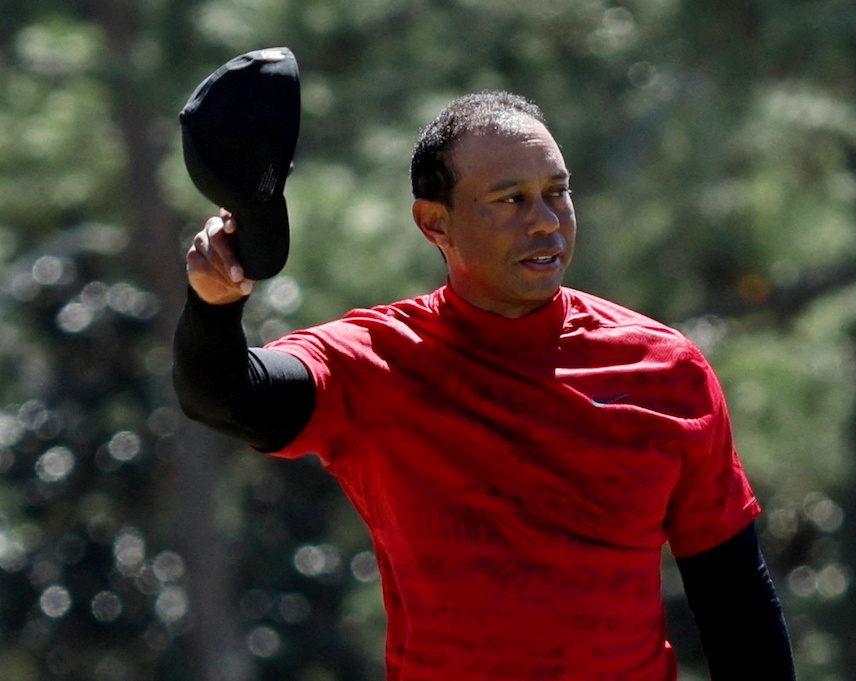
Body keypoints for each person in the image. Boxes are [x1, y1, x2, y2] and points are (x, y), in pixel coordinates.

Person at [173, 91, 796, 681]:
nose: (545, 222)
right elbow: (228, 398)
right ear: (434, 223)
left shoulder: (667, 370)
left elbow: (734, 598)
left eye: (557, 193)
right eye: (510, 199)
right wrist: (214, 305)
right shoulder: (375, 362)